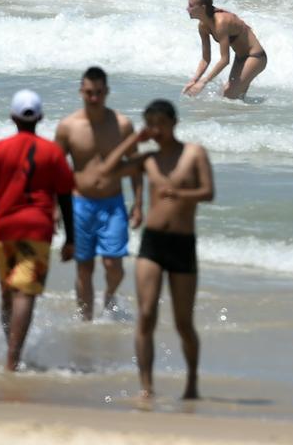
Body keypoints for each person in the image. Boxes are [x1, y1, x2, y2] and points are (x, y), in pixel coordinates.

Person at [98, 99, 214, 400]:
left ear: (174, 123)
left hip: (182, 243)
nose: (156, 130)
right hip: (152, 243)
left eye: (161, 124)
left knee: (183, 323)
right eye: (151, 125)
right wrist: (133, 141)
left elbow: (208, 192)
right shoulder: (147, 159)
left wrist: (179, 192)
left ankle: (191, 383)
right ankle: (146, 386)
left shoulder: (194, 153)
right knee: (146, 314)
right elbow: (108, 170)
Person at [0, 90, 76, 371]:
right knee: (25, 293)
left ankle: (11, 353)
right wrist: (71, 239)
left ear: (12, 117)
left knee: (8, 292)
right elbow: (65, 197)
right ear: (40, 118)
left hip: (4, 229)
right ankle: (13, 359)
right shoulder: (53, 153)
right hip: (38, 230)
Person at [55, 67, 143, 321]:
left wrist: (138, 204)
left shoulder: (122, 125)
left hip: (113, 204)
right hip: (79, 204)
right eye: (89, 92)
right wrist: (53, 208)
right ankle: (86, 320)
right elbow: (55, 170)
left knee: (113, 266)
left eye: (99, 93)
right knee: (84, 267)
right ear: (81, 92)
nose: (94, 98)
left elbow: (136, 166)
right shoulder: (68, 127)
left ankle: (109, 296)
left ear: (107, 92)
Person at [183, 0, 267, 99]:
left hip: (256, 57)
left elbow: (225, 60)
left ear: (202, 8)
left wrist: (203, 82)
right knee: (233, 99)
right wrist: (194, 80)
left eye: (191, 6)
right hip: (240, 58)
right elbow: (205, 59)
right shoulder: (203, 26)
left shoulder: (221, 22)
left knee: (229, 96)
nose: (187, 9)